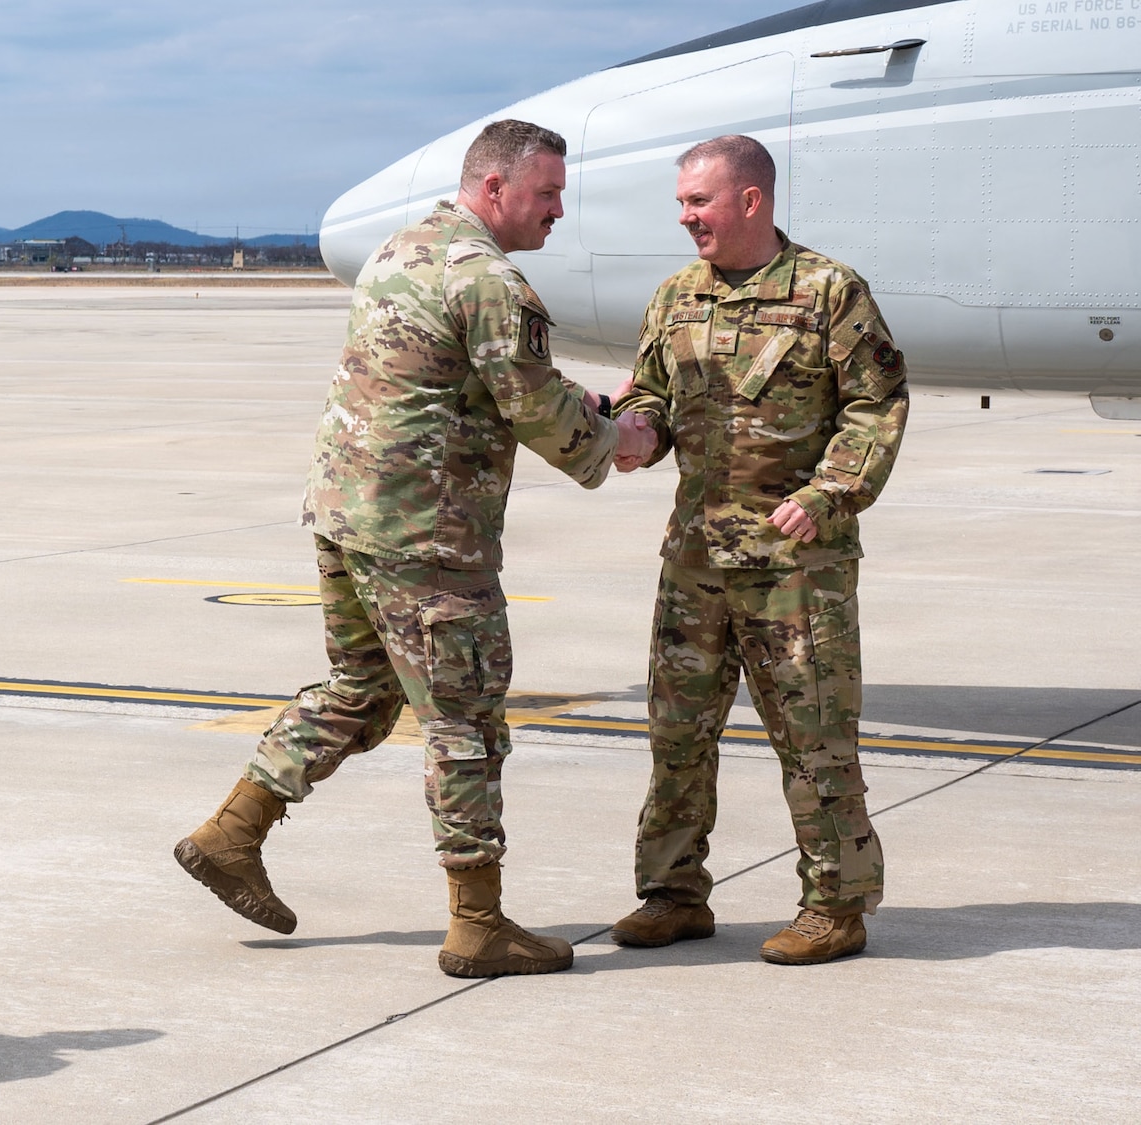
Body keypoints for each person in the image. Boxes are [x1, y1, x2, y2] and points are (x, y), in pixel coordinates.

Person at [173, 119, 654, 978]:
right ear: (495, 188)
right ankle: (477, 924)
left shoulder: (404, 250)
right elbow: (539, 410)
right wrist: (621, 437)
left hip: (348, 514)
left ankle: (231, 831)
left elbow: (468, 373)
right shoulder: (489, 278)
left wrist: (583, 405)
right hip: (428, 534)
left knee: (359, 690)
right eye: (546, 194)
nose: (557, 212)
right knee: (464, 722)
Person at [609, 134, 909, 965]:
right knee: (677, 734)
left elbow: (875, 403)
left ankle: (835, 905)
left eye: (698, 202)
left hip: (794, 571)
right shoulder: (676, 296)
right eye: (681, 203)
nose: (685, 217)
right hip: (696, 561)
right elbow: (650, 392)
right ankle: (673, 894)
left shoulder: (827, 291)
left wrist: (829, 492)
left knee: (812, 737)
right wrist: (635, 431)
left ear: (751, 200)